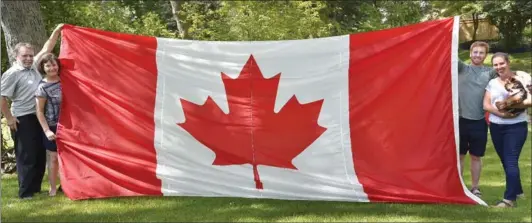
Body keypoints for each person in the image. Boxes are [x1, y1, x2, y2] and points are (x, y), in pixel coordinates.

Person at [0, 24, 63, 199]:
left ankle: (35, 188)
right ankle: (25, 192)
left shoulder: (35, 66)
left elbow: (47, 48)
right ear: (16, 56)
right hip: (23, 118)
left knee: (38, 154)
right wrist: (9, 118)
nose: (28, 58)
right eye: (24, 56)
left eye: (30, 55)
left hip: (38, 117)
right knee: (26, 155)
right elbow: (2, 97)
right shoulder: (12, 73)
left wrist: (57, 31)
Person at [483, 52, 531, 208]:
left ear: (508, 62)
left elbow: (530, 100)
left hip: (516, 126)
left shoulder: (521, 78)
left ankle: (509, 200)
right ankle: (518, 191)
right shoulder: (492, 82)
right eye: (495, 65)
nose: (499, 67)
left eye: (501, 63)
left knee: (510, 161)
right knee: (506, 161)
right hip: (496, 126)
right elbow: (486, 105)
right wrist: (501, 113)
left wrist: (510, 105)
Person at [457, 41, 497, 197]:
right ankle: (459, 186)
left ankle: (475, 187)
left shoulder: (490, 72)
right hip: (460, 120)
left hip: (479, 121)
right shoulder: (461, 68)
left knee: (475, 156)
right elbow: (448, 53)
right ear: (470, 53)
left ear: (485, 56)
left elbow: (506, 74)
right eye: (475, 52)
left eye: (481, 53)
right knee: (460, 155)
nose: (478, 55)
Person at [35, 52, 63, 196]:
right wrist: (47, 131)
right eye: (48, 65)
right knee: (53, 158)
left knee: (69, 157)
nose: (52, 68)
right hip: (52, 126)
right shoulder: (42, 87)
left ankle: (67, 185)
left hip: (70, 125)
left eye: (54, 64)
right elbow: (39, 111)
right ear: (43, 67)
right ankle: (53, 187)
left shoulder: (66, 80)